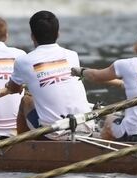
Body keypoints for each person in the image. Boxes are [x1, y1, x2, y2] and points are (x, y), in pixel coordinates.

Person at [72, 26, 137, 142]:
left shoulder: (127, 64)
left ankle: (104, 152)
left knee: (109, 120)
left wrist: (80, 71)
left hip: (135, 134)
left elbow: (95, 76)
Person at [5, 10, 92, 140]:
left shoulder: (24, 61)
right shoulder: (72, 55)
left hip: (54, 134)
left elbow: (12, 89)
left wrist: (15, 85)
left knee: (26, 100)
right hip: (87, 128)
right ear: (58, 34)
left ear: (32, 36)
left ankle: (22, 148)